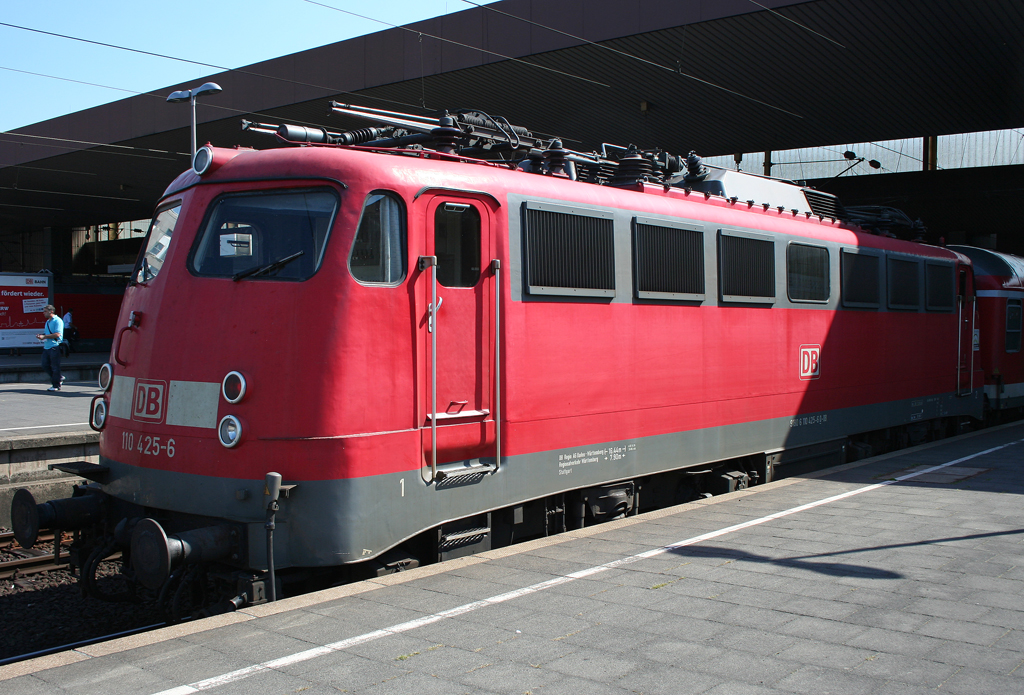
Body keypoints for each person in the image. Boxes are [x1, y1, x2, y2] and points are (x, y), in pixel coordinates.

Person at [36, 305, 65, 392]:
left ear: (51, 311)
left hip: (54, 346)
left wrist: (44, 336)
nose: (43, 313)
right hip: (47, 347)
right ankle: (59, 378)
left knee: (55, 367)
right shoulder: (48, 322)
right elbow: (47, 333)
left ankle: (56, 385)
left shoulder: (57, 321)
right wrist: (41, 336)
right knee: (45, 365)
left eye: (45, 311)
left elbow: (57, 334)